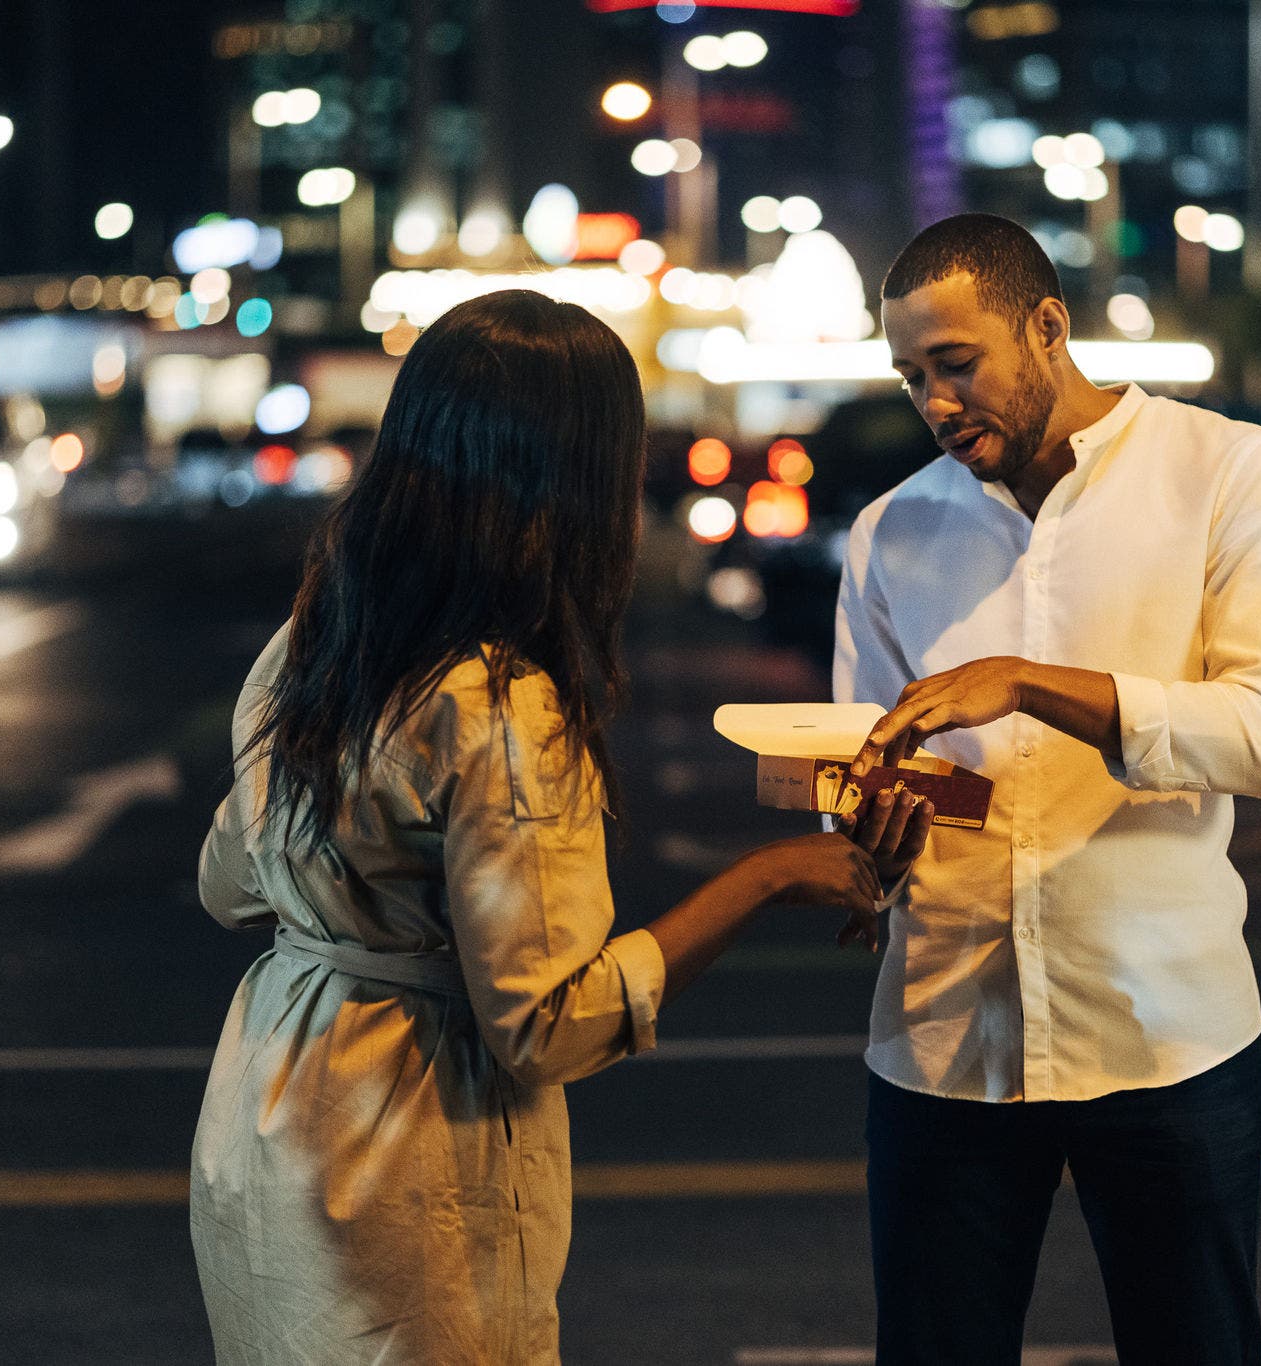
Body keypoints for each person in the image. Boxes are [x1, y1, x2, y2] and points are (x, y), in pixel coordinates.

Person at [188, 290, 881, 1365]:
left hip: (266, 1117)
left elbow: (229, 883)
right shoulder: (501, 704)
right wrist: (766, 878)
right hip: (409, 1154)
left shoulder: (312, 642)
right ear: (576, 481)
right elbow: (548, 1020)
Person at [831, 215, 1261, 1365]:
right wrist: (866, 837)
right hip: (942, 1030)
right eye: (912, 378)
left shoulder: (1223, 471)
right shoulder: (889, 530)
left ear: (1047, 327)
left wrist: (1035, 687)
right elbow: (860, 767)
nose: (938, 403)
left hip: (1164, 1029)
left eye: (958, 364)